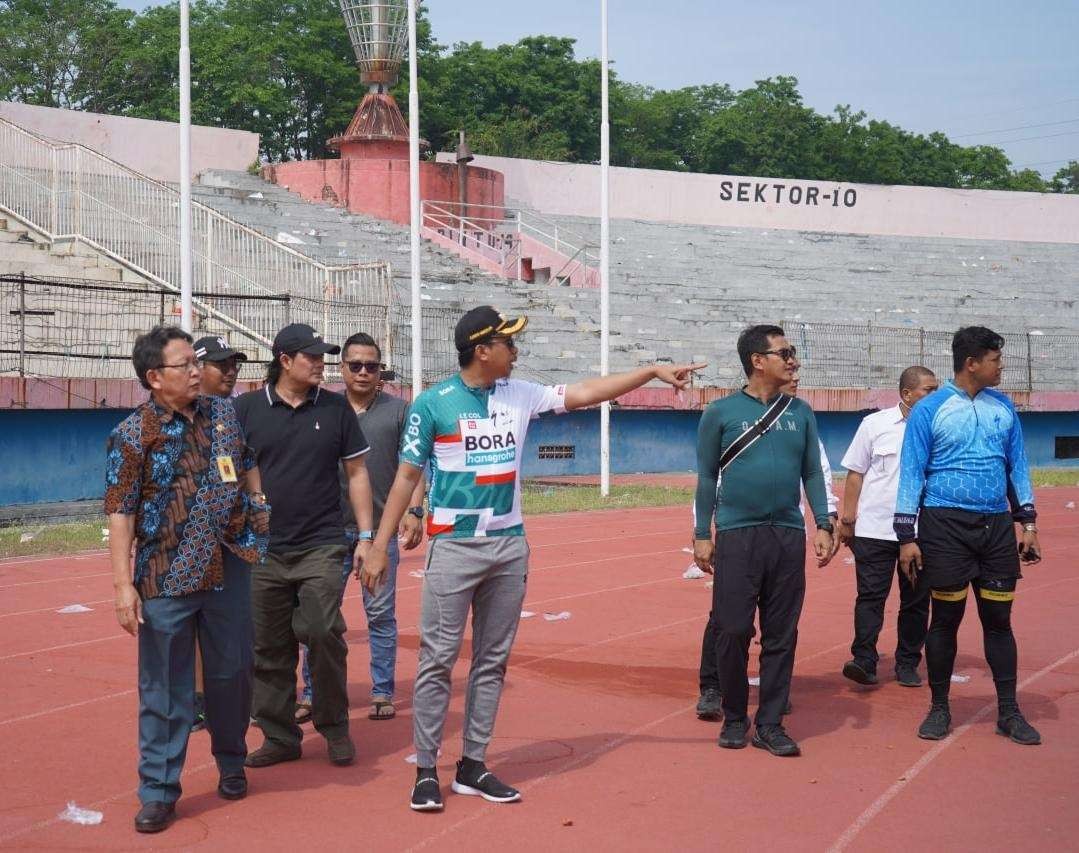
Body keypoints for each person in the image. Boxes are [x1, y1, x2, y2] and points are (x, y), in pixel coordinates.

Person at [361, 305, 704, 812]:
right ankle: (427, 770)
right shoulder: (432, 404)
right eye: (509, 343)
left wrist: (650, 372)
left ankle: (473, 765)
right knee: (437, 661)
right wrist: (377, 547)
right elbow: (406, 479)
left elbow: (586, 391)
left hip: (508, 547)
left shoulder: (520, 394)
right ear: (483, 350)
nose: (516, 351)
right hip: (453, 547)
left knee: (491, 661)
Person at [105, 325, 268, 834]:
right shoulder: (133, 436)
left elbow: (246, 464)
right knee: (165, 687)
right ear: (155, 377)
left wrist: (258, 509)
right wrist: (121, 585)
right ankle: (158, 790)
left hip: (228, 568)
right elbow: (120, 512)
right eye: (185, 365)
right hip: (163, 576)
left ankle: (231, 761)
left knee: (231, 673)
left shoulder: (224, 413)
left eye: (197, 364)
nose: (197, 371)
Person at [233, 323, 375, 768]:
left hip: (322, 545)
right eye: (311, 356)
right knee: (268, 645)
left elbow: (356, 474)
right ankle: (279, 737)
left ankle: (334, 728)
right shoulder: (246, 410)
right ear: (284, 360)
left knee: (322, 631)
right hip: (263, 550)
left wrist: (366, 537)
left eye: (322, 356)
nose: (320, 364)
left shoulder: (335, 410)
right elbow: (232, 474)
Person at [895, 327, 1042, 745]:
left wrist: (1027, 523)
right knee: (945, 619)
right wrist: (907, 535)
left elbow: (1018, 466)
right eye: (996, 359)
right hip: (944, 526)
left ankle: (1009, 712)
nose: (1002, 366)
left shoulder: (1004, 408)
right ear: (972, 363)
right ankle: (939, 708)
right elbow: (912, 471)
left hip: (995, 526)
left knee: (999, 621)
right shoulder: (931, 409)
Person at [694, 325, 834, 757]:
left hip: (788, 536)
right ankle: (736, 715)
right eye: (785, 353)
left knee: (781, 635)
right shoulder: (719, 413)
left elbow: (812, 472)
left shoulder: (802, 412)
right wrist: (702, 533)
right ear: (758, 360)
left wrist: (824, 523)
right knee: (733, 629)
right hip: (737, 534)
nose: (793, 360)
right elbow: (706, 476)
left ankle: (770, 723)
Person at [296, 332, 426, 724]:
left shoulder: (400, 411)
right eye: (356, 365)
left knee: (381, 617)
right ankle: (312, 692)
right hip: (327, 532)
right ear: (342, 368)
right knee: (319, 619)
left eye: (372, 365)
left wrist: (416, 510)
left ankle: (382, 691)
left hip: (380, 535)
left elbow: (415, 464)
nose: (364, 372)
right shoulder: (324, 408)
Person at [837, 366, 938, 687]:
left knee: (916, 600)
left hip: (921, 532)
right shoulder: (875, 424)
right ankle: (864, 659)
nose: (935, 395)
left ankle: (908, 662)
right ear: (907, 394)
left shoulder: (942, 427)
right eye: (929, 389)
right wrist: (847, 520)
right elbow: (855, 473)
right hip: (874, 530)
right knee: (870, 597)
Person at [189, 335, 250, 732]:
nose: (230, 371)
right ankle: (196, 700)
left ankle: (232, 700)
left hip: (234, 540)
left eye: (235, 365)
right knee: (191, 627)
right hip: (189, 543)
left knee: (236, 628)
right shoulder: (177, 416)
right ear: (197, 369)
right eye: (221, 364)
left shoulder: (238, 414)